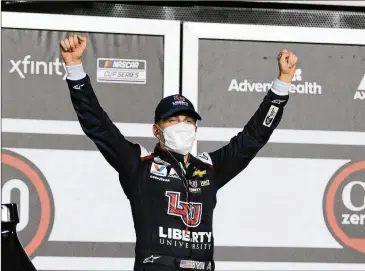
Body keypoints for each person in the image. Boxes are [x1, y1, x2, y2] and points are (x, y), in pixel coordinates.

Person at [60, 34, 298, 271]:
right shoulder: (139, 165)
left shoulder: (209, 169)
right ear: (156, 130)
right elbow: (97, 126)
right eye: (173, 120)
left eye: (187, 120)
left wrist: (283, 83)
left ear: (195, 128)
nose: (181, 125)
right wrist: (74, 69)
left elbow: (254, 137)